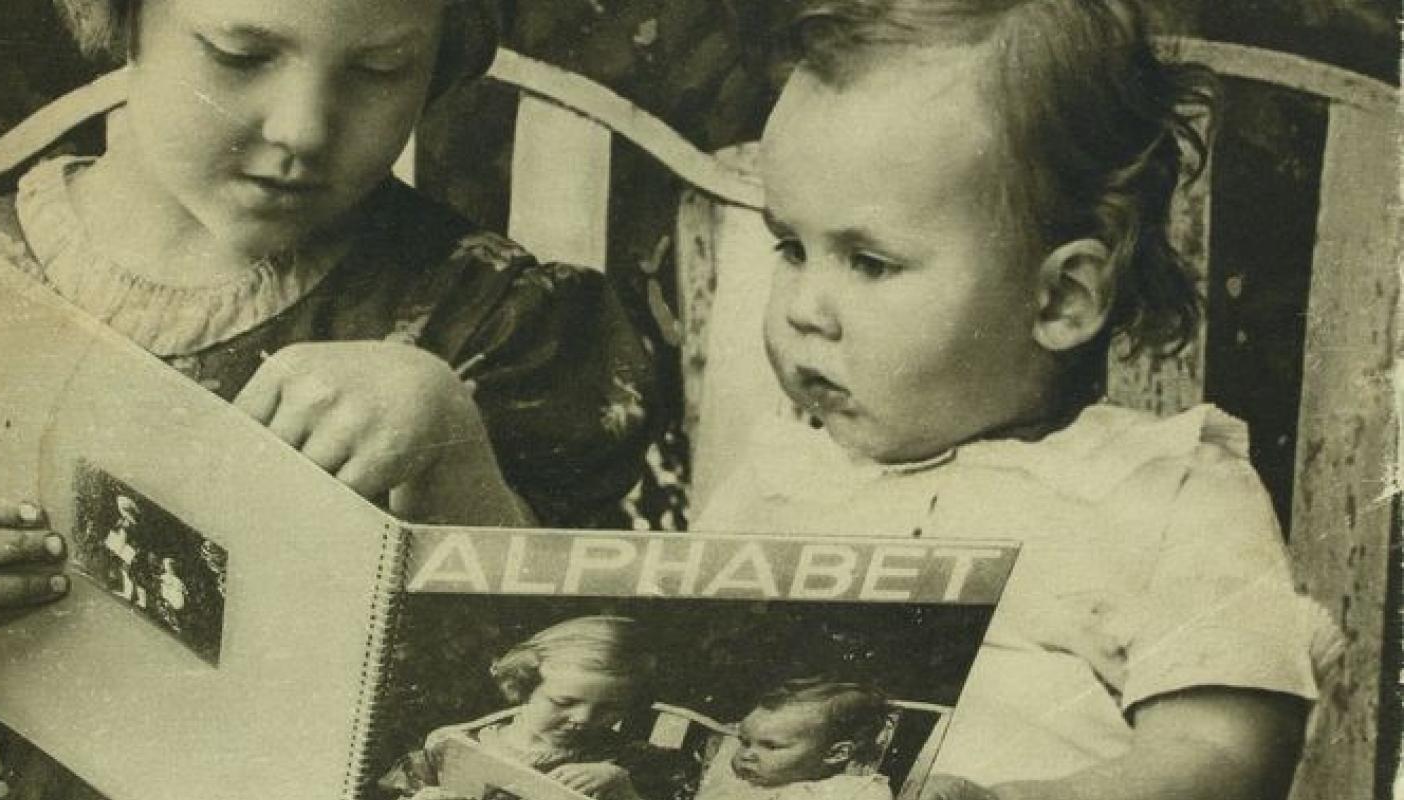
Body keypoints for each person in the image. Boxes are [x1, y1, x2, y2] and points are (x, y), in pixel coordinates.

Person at [0, 0, 658, 796]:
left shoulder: (487, 323)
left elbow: (552, 691)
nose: (304, 127)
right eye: (238, 54)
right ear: (121, 18)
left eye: (381, 70)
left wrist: (453, 454)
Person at [693, 1, 1339, 799]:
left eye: (868, 262)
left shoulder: (1167, 496)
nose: (803, 307)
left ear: (1062, 299)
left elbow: (1227, 757)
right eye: (790, 248)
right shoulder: (778, 483)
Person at [379, 616, 693, 800]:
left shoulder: (630, 765)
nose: (582, 719)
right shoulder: (451, 749)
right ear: (524, 686)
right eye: (563, 702)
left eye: (611, 708)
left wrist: (625, 792)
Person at [695, 677, 893, 800]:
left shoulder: (853, 794)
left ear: (836, 753)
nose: (746, 755)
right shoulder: (737, 786)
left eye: (770, 746)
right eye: (745, 742)